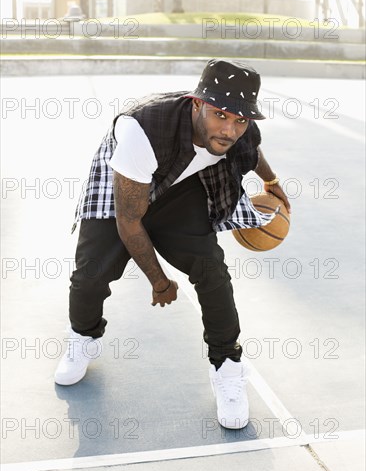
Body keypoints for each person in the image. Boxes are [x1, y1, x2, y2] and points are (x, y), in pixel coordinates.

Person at [54, 58, 291, 430]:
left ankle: (227, 365)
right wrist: (159, 281)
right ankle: (83, 335)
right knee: (91, 275)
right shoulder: (143, 129)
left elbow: (252, 151)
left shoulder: (240, 132)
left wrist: (273, 182)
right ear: (197, 103)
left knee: (212, 272)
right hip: (125, 185)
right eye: (220, 115)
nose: (229, 129)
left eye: (240, 120)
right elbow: (130, 221)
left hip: (181, 188)